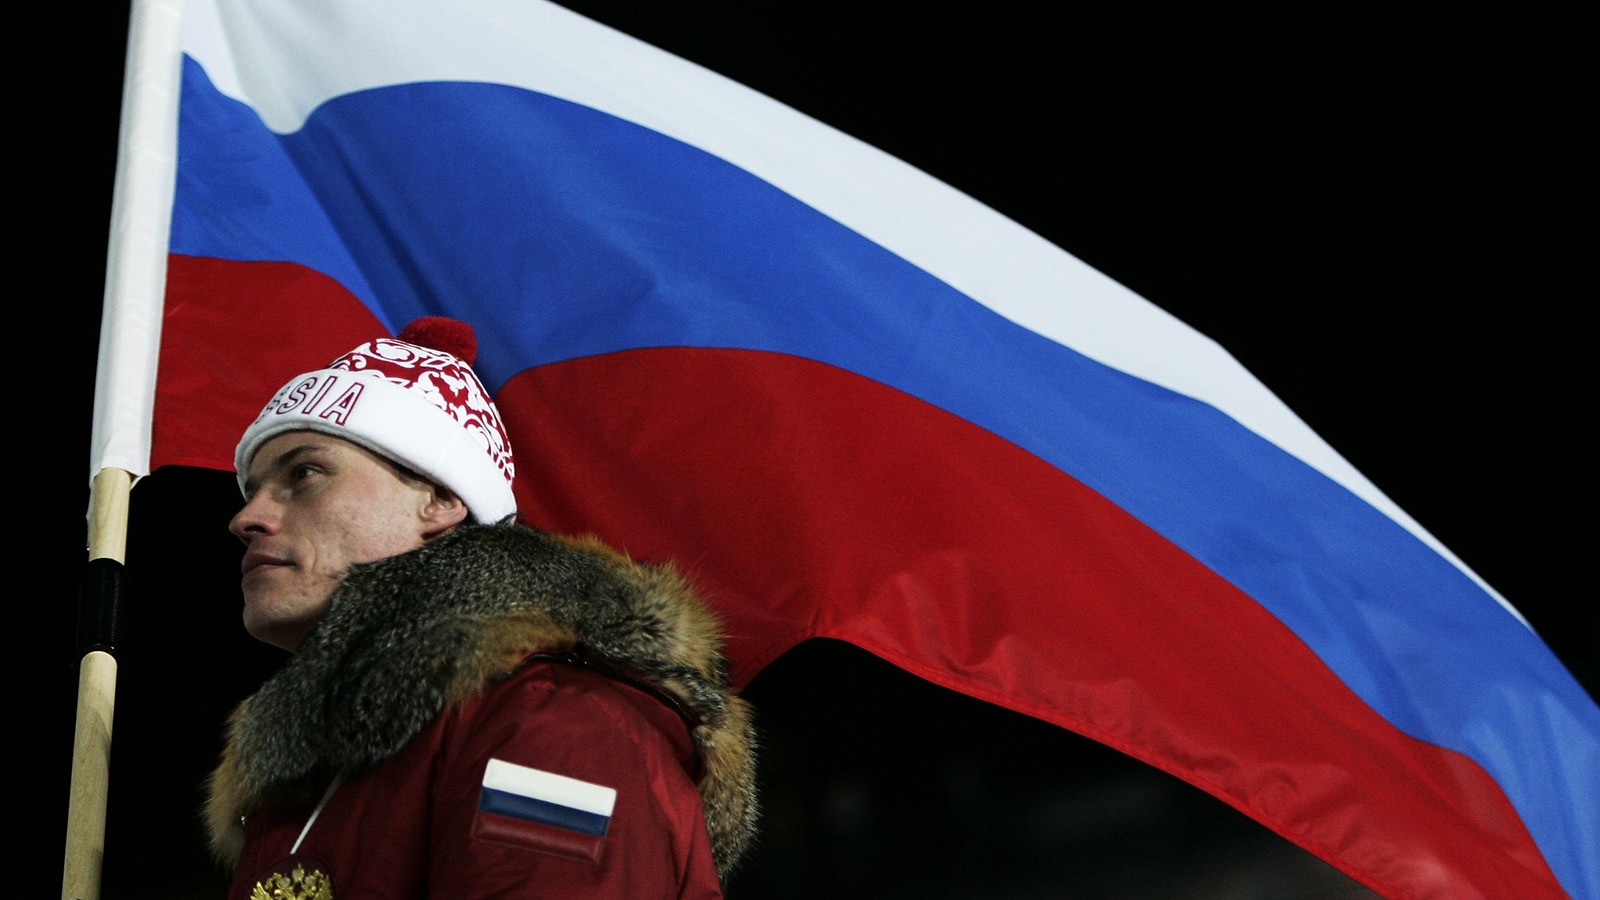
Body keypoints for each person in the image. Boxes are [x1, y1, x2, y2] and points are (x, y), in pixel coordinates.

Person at [203, 316, 759, 899]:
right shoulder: (333, 755)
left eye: (305, 473)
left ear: (441, 499)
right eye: (252, 491)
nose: (247, 518)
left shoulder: (553, 722)